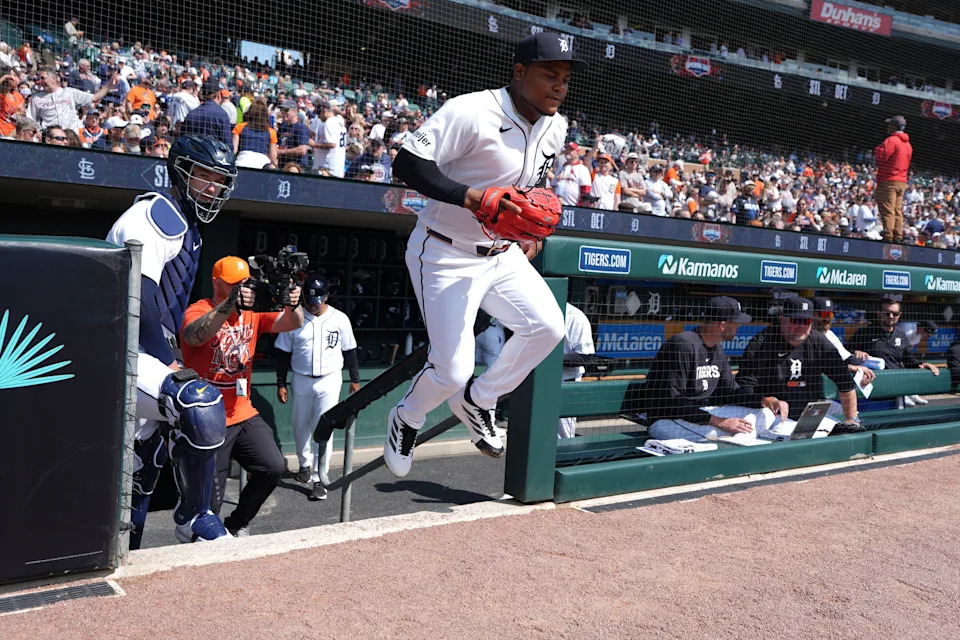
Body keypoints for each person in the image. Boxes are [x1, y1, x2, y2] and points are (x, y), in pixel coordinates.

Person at [381, 32, 581, 477]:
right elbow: (407, 162)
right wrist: (471, 197)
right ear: (519, 71)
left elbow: (534, 183)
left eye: (565, 79)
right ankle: (408, 416)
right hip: (444, 251)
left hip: (502, 253)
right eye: (549, 75)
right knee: (451, 370)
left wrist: (530, 230)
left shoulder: (557, 125)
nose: (559, 87)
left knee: (548, 328)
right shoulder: (471, 110)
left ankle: (480, 399)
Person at [105, 135, 238, 547]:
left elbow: (165, 311)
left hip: (146, 355)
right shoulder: (156, 212)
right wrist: (170, 362)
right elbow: (136, 295)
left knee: (140, 479)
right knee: (197, 403)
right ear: (180, 173)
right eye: (204, 176)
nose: (213, 187)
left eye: (220, 180)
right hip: (121, 348)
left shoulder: (190, 229)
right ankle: (193, 516)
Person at [180, 257, 303, 536]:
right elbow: (193, 336)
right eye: (233, 283)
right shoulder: (200, 309)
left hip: (242, 410)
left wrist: (293, 303)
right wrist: (230, 304)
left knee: (273, 467)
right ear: (216, 282)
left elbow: (291, 323)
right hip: (208, 416)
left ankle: (236, 524)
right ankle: (202, 543)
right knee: (209, 499)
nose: (241, 288)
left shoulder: (253, 311)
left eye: (244, 282)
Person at [643, 296, 788, 442]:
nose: (739, 326)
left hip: (703, 414)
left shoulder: (717, 348)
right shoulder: (683, 344)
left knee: (766, 413)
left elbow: (731, 392)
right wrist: (720, 422)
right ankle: (737, 445)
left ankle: (738, 441)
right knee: (716, 433)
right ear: (723, 325)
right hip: (667, 420)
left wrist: (765, 400)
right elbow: (672, 402)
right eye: (736, 322)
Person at [275, 274, 361, 501]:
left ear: (327, 296)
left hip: (329, 379)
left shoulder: (340, 318)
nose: (315, 304)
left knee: (324, 427)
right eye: (311, 300)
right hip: (301, 378)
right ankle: (304, 465)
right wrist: (281, 383)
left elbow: (350, 350)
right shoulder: (295, 318)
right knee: (299, 424)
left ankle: (318, 477)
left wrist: (355, 379)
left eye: (319, 300)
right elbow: (282, 353)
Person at [737, 296, 863, 434]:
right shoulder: (762, 343)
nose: (801, 326)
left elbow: (844, 379)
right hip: (771, 417)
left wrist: (852, 418)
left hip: (809, 416)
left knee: (845, 431)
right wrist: (767, 401)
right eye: (795, 320)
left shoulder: (818, 340)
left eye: (806, 321)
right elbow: (744, 388)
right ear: (781, 318)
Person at [848, 297, 940, 407]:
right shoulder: (864, 333)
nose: (891, 317)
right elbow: (845, 355)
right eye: (887, 313)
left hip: (895, 391)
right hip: (871, 392)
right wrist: (856, 353)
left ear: (899, 315)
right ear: (879, 313)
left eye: (895, 314)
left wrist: (921, 364)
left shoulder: (900, 334)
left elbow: (908, 359)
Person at [27, 67, 117, 133]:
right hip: (51, 138)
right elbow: (30, 119)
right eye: (39, 79)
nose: (40, 81)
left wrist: (109, 84)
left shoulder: (70, 92)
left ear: (53, 78)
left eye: (43, 78)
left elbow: (94, 98)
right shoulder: (36, 98)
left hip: (71, 136)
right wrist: (38, 132)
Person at [811, 296, 875, 385]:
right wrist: (852, 368)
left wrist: (858, 357)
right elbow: (821, 365)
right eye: (822, 314)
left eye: (830, 315)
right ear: (811, 314)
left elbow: (847, 358)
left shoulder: (829, 334)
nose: (827, 319)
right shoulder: (805, 336)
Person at [874, 116, 912, 243]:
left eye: (890, 125)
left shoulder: (892, 140)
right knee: (897, 210)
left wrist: (878, 148)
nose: (888, 126)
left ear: (894, 127)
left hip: (889, 179)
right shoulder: (907, 144)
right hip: (902, 181)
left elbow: (882, 157)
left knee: (888, 209)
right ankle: (897, 235)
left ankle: (888, 237)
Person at [558, 303, 595, 439]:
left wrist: (549, 358)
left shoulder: (575, 315)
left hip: (565, 384)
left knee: (563, 438)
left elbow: (584, 356)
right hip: (536, 384)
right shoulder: (535, 308)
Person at [180, 79, 232, 147]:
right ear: (218, 94)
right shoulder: (222, 115)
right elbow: (228, 145)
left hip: (192, 156)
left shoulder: (191, 114)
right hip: (213, 156)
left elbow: (182, 140)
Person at [232, 99, 278, 168]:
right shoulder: (271, 132)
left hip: (242, 162)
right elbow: (273, 157)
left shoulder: (239, 126)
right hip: (262, 165)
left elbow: (234, 150)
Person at [309, 100, 346, 177]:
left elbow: (332, 144)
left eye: (319, 113)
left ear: (324, 110)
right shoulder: (338, 120)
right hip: (337, 166)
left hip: (329, 168)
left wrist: (314, 144)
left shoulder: (329, 122)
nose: (318, 117)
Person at [276, 100, 311, 170]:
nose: (283, 113)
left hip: (296, 168)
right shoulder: (283, 128)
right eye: (282, 110)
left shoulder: (301, 127)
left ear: (295, 112)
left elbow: (302, 150)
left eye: (286, 110)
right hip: (282, 166)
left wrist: (281, 152)